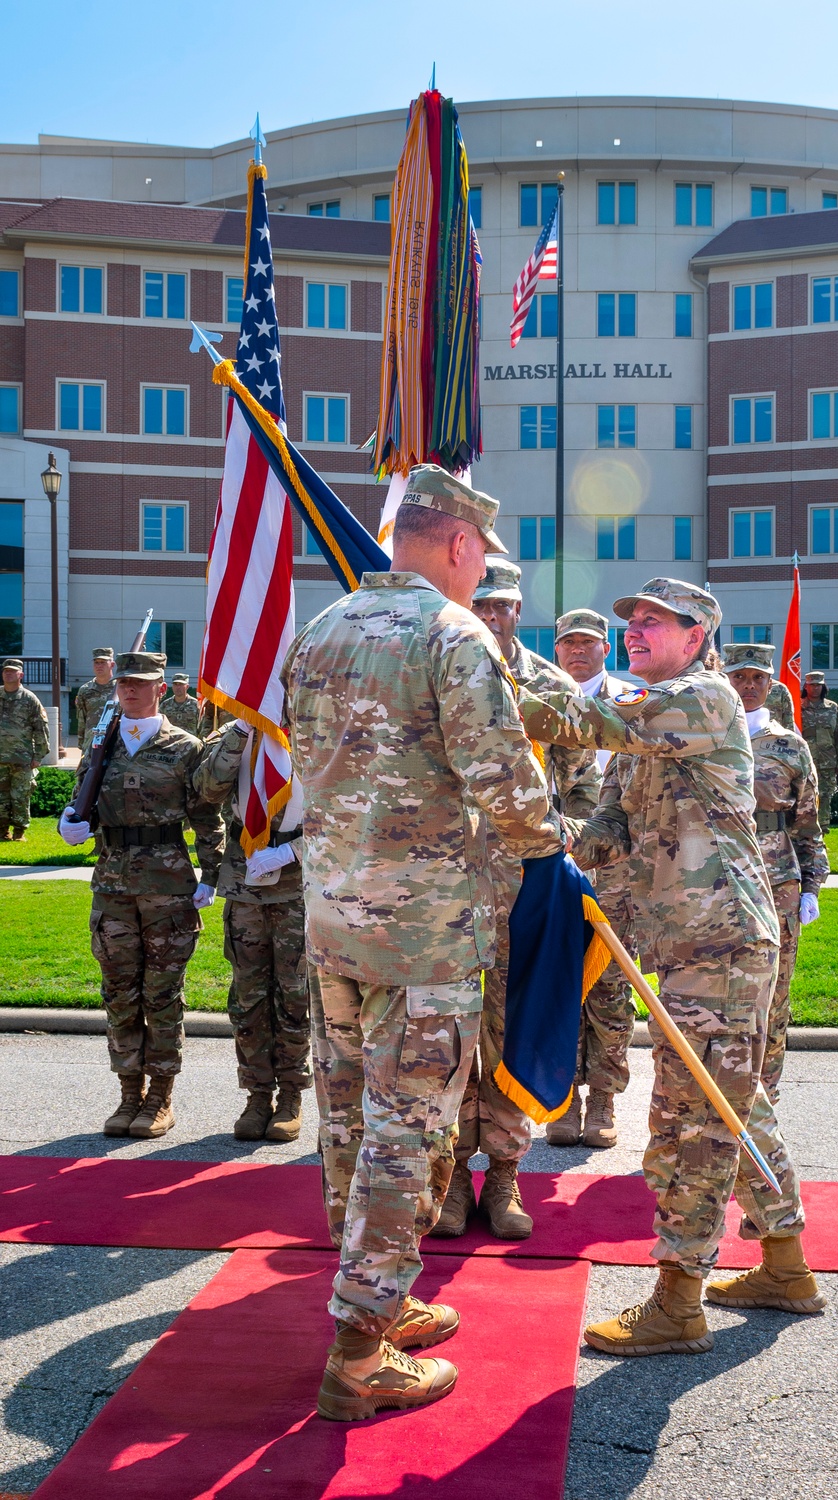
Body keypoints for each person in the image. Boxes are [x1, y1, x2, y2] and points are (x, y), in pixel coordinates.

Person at [282, 464, 566, 1421]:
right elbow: (505, 779)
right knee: (410, 1131)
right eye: (478, 552)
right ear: (458, 544)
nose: (478, 569)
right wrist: (550, 846)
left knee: (348, 1120)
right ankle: (359, 1357)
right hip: (425, 936)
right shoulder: (454, 635)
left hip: (332, 924)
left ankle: (378, 1297)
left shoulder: (318, 632)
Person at [518, 577, 824, 1358]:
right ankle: (785, 1266)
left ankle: (678, 1301)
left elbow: (588, 717)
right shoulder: (648, 719)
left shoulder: (702, 698)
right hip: (683, 939)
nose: (636, 631)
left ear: (699, 636)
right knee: (735, 1104)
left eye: (655, 622)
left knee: (689, 1121)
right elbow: (614, 819)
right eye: (633, 621)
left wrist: (492, 666)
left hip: (719, 939)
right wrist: (559, 853)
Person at [434, 563, 600, 1237]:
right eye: (482, 604)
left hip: (524, 890)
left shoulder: (550, 688)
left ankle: (503, 1176)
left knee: (510, 1028)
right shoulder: (433, 676)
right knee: (444, 1033)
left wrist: (568, 842)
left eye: (504, 606)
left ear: (520, 610)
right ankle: (447, 1179)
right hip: (442, 888)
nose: (494, 616)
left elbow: (586, 789)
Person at [58, 651, 225, 1138]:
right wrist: (71, 823)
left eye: (141, 683)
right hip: (111, 885)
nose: (130, 690)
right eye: (124, 683)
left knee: (162, 995)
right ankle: (128, 1092)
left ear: (160, 688)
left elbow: (205, 818)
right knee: (119, 994)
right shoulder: (101, 745)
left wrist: (211, 874)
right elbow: (80, 800)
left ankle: (159, 1098)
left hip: (168, 886)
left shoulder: (185, 747)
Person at [194, 721, 311, 1142]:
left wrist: (292, 850)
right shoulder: (236, 732)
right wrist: (241, 732)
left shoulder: (323, 727)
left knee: (295, 995)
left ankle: (292, 1097)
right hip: (246, 879)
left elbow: (348, 813)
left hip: (300, 883)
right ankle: (257, 1095)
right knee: (249, 998)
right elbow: (205, 789)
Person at [722, 642, 829, 1102]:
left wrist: (811, 885)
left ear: (771, 684)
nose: (747, 686)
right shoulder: (705, 735)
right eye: (739, 677)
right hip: (713, 878)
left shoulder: (789, 745)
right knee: (716, 988)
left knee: (774, 989)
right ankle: (718, 1088)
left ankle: (764, 1091)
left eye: (757, 679)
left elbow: (807, 824)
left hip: (775, 879)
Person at [549, 606, 635, 1149]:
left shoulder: (632, 704)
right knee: (558, 983)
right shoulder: (542, 699)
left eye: (589, 642)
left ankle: (603, 1096)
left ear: (607, 648)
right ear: (557, 649)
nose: (578, 651)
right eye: (569, 643)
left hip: (617, 870)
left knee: (610, 985)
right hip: (552, 864)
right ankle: (563, 1098)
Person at [0, 657, 49, 841]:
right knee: (1, 798)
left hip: (22, 759)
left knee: (20, 797)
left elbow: (41, 729)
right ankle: (2, 832)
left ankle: (19, 832)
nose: (8, 673)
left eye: (12, 671)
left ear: (21, 674)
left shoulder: (29, 699)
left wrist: (39, 755)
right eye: (6, 670)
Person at [799, 671, 838, 832]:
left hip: (827, 762)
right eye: (812, 685)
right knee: (805, 797)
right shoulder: (797, 708)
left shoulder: (832, 708)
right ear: (805, 687)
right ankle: (806, 831)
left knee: (825, 797)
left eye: (818, 685)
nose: (815, 688)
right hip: (804, 763)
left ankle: (823, 830)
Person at [75, 649, 116, 752]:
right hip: (91, 743)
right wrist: (81, 743)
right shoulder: (85, 690)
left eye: (103, 662)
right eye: (96, 662)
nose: (99, 666)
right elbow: (81, 718)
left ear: (112, 664)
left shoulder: (120, 689)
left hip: (115, 743)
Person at [162, 673, 202, 739]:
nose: (178, 687)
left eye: (181, 684)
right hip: (170, 745)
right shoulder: (165, 705)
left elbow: (202, 727)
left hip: (190, 744)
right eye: (175, 684)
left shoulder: (196, 705)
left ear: (187, 686)